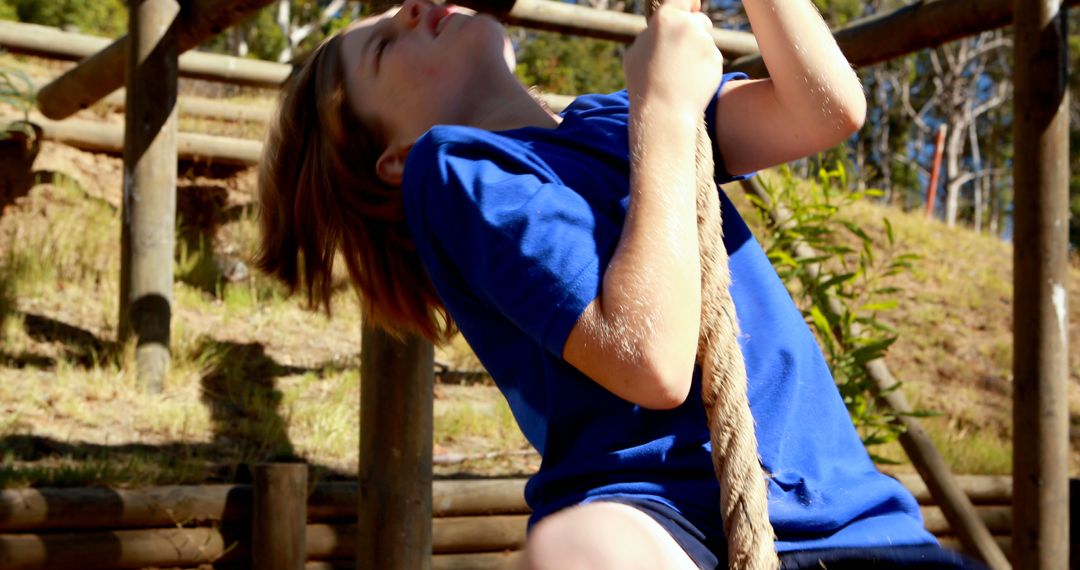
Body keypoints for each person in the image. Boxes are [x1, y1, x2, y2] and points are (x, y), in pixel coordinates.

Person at [255, 0, 988, 568]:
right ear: (394, 154)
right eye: (384, 45)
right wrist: (667, 110)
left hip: (852, 513)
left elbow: (822, 110)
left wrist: (657, 107)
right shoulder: (453, 168)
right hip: (665, 513)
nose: (412, 8)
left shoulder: (613, 116)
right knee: (579, 552)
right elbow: (651, 360)